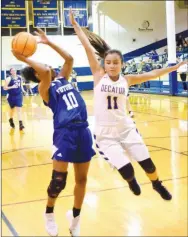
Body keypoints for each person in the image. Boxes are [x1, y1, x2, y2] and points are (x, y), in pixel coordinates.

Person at [69, 9, 186, 201]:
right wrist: (75, 26)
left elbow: (152, 74)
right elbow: (87, 47)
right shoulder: (98, 76)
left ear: (121, 64)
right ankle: (132, 181)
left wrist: (173, 67)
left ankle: (157, 184)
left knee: (148, 165)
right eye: (109, 62)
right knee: (127, 170)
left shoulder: (127, 80)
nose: (112, 65)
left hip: (126, 129)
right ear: (104, 64)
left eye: (116, 62)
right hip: (105, 134)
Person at [12, 28, 95, 237]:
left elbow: (69, 58)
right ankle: (49, 213)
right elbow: (46, 72)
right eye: (42, 68)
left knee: (82, 180)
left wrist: (49, 43)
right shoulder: (44, 88)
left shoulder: (63, 79)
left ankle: (75, 218)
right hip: (64, 133)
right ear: (37, 75)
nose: (48, 66)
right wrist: (24, 58)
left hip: (83, 130)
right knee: (59, 180)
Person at [3, 67, 26, 132]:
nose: (14, 71)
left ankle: (21, 124)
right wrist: (12, 87)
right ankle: (10, 119)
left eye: (14, 70)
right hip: (11, 96)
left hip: (19, 95)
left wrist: (23, 90)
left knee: (19, 109)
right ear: (10, 72)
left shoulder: (20, 77)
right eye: (12, 71)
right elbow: (4, 88)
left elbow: (21, 85)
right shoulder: (8, 79)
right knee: (12, 110)